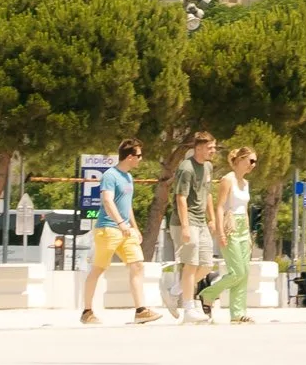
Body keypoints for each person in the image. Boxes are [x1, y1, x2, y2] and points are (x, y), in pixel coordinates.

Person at [81, 139, 160, 325]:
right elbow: (108, 201)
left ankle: (141, 310)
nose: (141, 159)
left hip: (126, 230)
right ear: (130, 157)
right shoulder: (110, 175)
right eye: (139, 156)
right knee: (98, 269)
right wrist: (120, 223)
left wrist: (134, 227)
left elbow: (127, 205)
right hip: (107, 229)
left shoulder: (129, 177)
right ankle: (87, 311)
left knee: (137, 265)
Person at [172, 130, 219, 325]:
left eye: (214, 147)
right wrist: (184, 227)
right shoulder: (186, 168)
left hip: (201, 222)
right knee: (190, 265)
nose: (213, 151)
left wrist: (213, 218)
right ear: (198, 148)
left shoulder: (207, 167)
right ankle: (188, 309)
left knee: (207, 264)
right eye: (210, 148)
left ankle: (175, 289)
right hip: (188, 220)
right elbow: (180, 198)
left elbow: (207, 193)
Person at [214, 144, 257, 325]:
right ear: (240, 159)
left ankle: (238, 313)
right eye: (251, 160)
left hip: (243, 227)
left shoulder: (246, 183)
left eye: (255, 162)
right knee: (237, 271)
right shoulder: (227, 179)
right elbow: (219, 206)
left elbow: (245, 209)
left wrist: (248, 234)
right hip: (230, 225)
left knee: (245, 272)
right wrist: (220, 232)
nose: (253, 165)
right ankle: (208, 294)